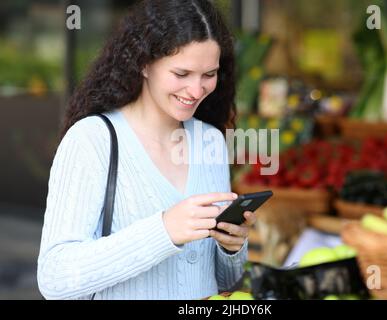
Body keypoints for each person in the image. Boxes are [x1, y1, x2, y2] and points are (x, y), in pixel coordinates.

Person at [37, 0, 256, 300]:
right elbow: (54, 278)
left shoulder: (210, 142)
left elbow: (223, 281)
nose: (196, 90)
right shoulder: (92, 140)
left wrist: (231, 248)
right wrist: (163, 230)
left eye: (209, 75)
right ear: (143, 63)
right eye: (181, 74)